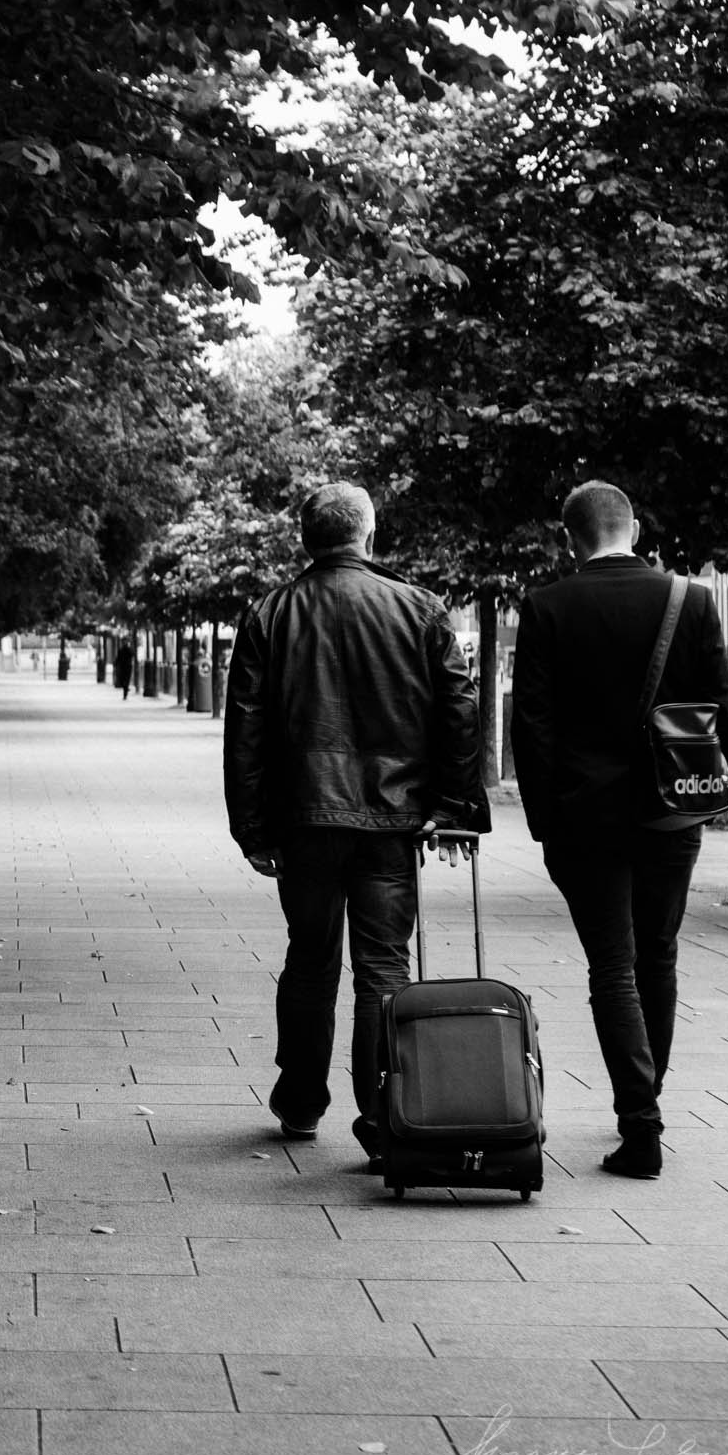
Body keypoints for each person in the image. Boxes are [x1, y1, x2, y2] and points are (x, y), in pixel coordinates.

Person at [224, 482, 488, 1160]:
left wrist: (252, 826)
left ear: (306, 539)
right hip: (391, 820)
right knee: (383, 969)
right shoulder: (419, 609)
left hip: (304, 817)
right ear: (370, 536)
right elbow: (460, 712)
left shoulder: (269, 613)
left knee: (310, 959)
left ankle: (301, 1100)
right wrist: (453, 808)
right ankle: (384, 1114)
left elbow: (246, 731)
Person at [511, 481, 728, 1180]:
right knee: (659, 956)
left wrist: (547, 825)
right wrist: (704, 791)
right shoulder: (691, 600)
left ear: (568, 538)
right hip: (672, 811)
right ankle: (646, 1101)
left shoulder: (547, 607)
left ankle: (640, 1122)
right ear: (634, 527)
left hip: (586, 819)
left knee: (612, 966)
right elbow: (723, 720)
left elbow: (533, 729)